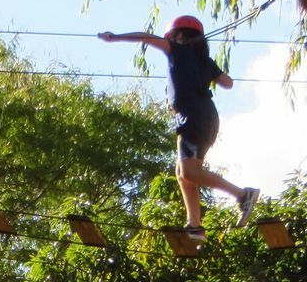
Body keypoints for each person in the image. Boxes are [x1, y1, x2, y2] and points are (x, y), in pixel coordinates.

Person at [99, 15, 259, 242]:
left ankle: (243, 195)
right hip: (207, 116)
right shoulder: (206, 61)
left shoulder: (176, 50)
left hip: (192, 116)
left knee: (189, 172)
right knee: (183, 174)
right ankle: (195, 226)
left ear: (180, 36)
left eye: (172, 36)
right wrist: (208, 70)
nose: (169, 40)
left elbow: (147, 38)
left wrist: (115, 38)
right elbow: (228, 83)